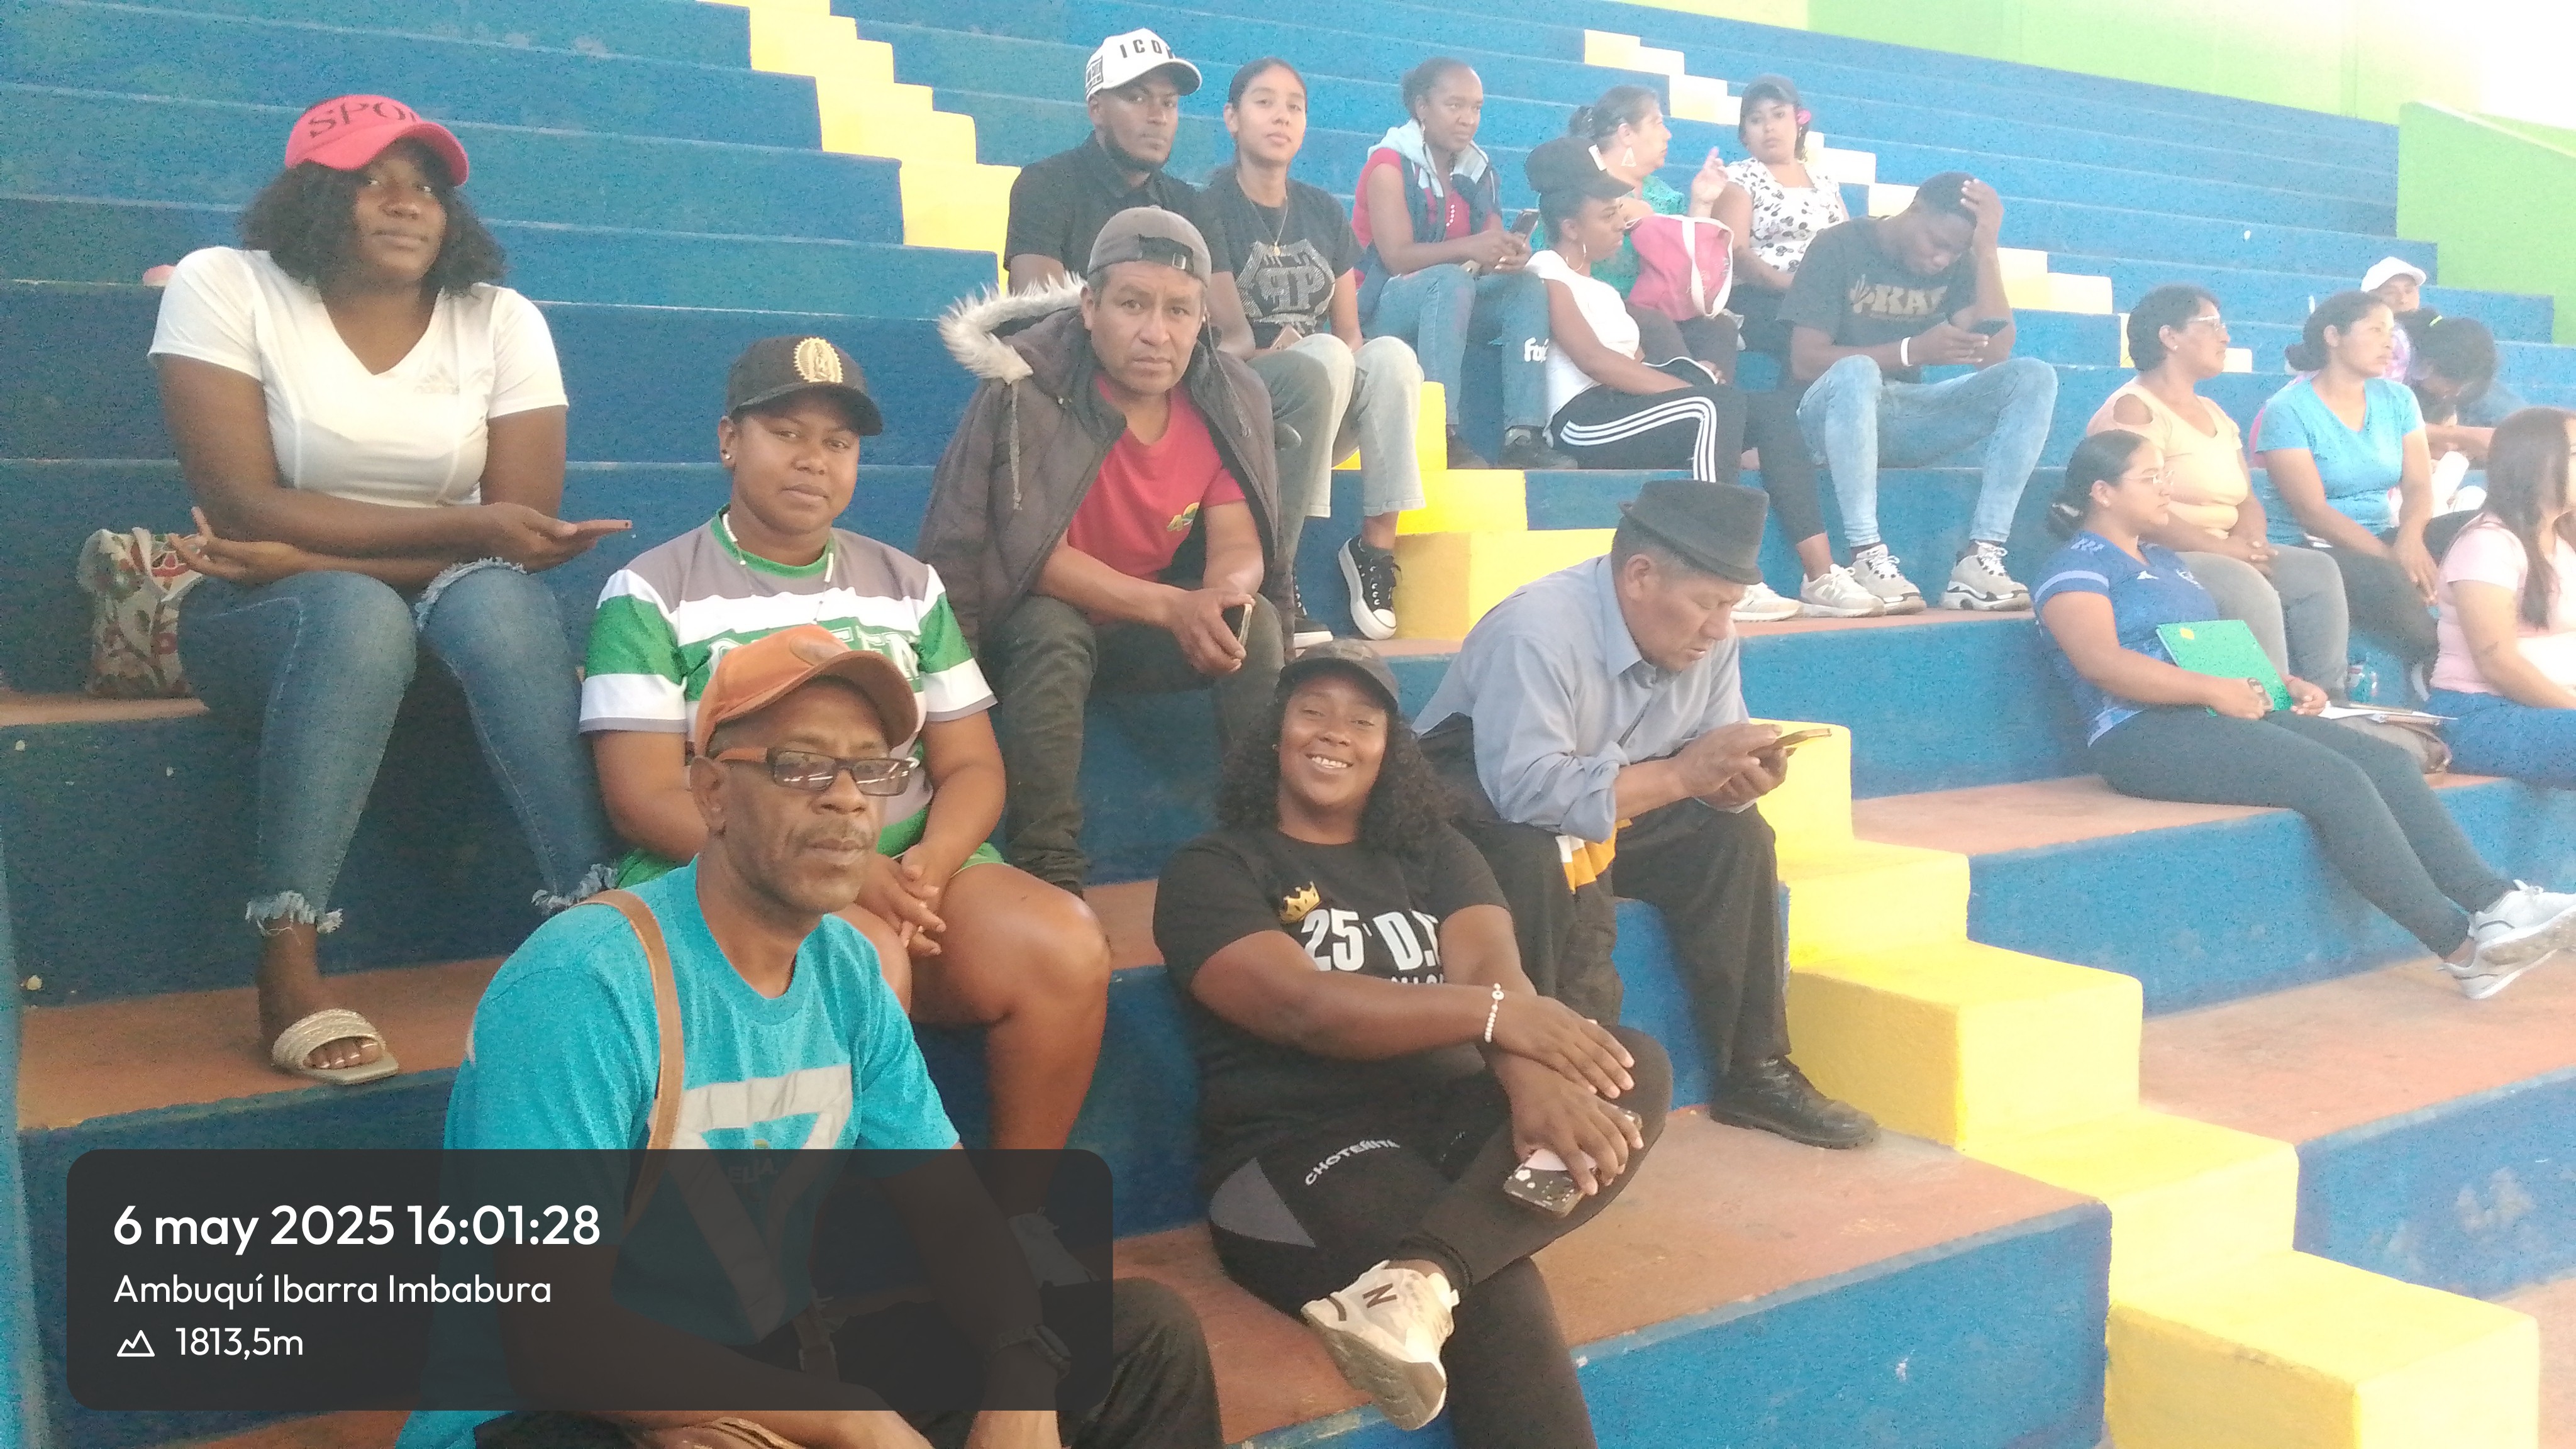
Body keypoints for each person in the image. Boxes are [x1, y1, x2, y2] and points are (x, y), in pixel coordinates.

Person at [394, 627, 1223, 1449]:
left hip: (766, 1365)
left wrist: (1020, 1378)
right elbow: (553, 1337)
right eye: (800, 766)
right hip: (542, 1413)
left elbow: (957, 1219)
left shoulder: (848, 971)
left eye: (872, 770)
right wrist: (847, 1419)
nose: (848, 799)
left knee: (1142, 1339)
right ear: (712, 793)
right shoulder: (586, 981)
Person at [150, 95, 623, 1084]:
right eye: (371, 181)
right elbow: (241, 504)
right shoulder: (225, 284)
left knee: (498, 602)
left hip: (431, 608)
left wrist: (321, 552)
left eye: (426, 187)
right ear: (313, 198)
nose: (406, 204)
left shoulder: (499, 318)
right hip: (264, 616)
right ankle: (287, 959)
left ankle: (601, 921)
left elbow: (518, 534)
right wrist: (459, 531)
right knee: (359, 615)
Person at [582, 335, 1113, 1160]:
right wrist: (856, 879)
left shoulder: (909, 585)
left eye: (838, 442)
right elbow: (643, 797)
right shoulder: (652, 590)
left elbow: (973, 766)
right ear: (729, 440)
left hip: (909, 871)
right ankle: (800, 1229)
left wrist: (925, 868)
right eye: (785, 433)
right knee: (859, 959)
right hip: (736, 872)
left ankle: (1015, 1213)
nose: (813, 460)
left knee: (1067, 946)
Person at [1155, 640, 1670, 1443]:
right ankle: (1445, 1267)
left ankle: (1421, 1279)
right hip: (1297, 1153)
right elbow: (1303, 1007)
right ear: (1275, 733)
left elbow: (1490, 969)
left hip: (1443, 1123)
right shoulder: (1214, 868)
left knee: (1623, 1065)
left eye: (1363, 721)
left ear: (1390, 749)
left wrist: (1534, 1081)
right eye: (1312, 712)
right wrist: (1497, 1018)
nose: (1336, 732)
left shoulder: (1437, 853)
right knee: (1498, 1292)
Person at [2033, 430, 2576, 1000]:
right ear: (2103, 492)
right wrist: (2212, 689)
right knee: (2335, 781)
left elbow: (2203, 647)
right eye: (2151, 478)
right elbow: (2101, 662)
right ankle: (2462, 950)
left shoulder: (2165, 561)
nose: (2166, 487)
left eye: (2166, 474)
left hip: (2211, 711)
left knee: (2386, 763)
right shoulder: (2074, 568)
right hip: (2139, 733)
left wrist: (2279, 683)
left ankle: (2494, 902)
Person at [1418, 480, 1880, 1148]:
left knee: (1735, 836)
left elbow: (1708, 757)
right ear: (1639, 576)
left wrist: (1735, 782)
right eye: (1707, 603)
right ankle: (1531, 1080)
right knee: (1531, 850)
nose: (1719, 628)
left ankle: (1754, 1070)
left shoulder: (1711, 639)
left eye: (1731, 605)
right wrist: (1681, 775)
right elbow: (1524, 793)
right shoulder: (1536, 629)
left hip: (1611, 803)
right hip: (1485, 814)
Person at [924, 208, 1288, 894]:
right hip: (1030, 628)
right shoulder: (1029, 385)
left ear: (1202, 318)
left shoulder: (1228, 397)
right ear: (1089, 306)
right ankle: (1048, 863)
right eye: (1132, 305)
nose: (1157, 332)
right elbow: (1035, 555)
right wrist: (1173, 607)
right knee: (1051, 628)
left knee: (1252, 621)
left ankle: (1268, 845)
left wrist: (1220, 598)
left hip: (1140, 633)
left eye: (1178, 310)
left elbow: (1240, 539)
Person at [1003, 28, 1338, 647]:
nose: (1158, 115)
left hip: (1179, 385)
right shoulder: (1045, 183)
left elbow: (1229, 332)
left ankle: (1265, 579)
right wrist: (1135, 351)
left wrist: (1177, 363)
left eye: (1170, 102)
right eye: (1137, 98)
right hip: (1074, 391)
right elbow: (1036, 317)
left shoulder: (1190, 203)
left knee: (1304, 378)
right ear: (1096, 107)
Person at [1520, 138, 1876, 623]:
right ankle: (1722, 575)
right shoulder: (1546, 270)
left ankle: (1821, 575)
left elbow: (1637, 364)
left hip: (1623, 411)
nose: (1620, 224)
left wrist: (1688, 380)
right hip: (1582, 421)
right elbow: (1595, 361)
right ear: (1569, 227)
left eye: (1618, 213)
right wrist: (1694, 392)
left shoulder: (1602, 289)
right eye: (1606, 217)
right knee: (1715, 406)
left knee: (1769, 410)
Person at [1208, 58, 1426, 642]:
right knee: (1325, 356)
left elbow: (1351, 331)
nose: (1281, 116)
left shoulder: (1322, 210)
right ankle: (1284, 563)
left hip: (1324, 398)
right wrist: (1301, 355)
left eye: (1295, 106)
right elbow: (1219, 345)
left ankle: (1374, 550)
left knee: (1391, 357)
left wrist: (1330, 355)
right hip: (1251, 403)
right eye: (1264, 102)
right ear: (1232, 118)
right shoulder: (1210, 206)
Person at [1784, 172, 2057, 614]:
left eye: (1956, 252)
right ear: (1915, 210)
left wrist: (1986, 253)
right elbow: (1805, 360)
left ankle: (1981, 558)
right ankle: (1865, 555)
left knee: (2033, 377)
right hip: (1825, 416)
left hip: (1898, 416)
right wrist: (1912, 351)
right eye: (1937, 243)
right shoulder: (1839, 245)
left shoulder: (1961, 262)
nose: (1941, 260)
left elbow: (1995, 356)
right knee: (1859, 371)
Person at [2084, 285, 2350, 692]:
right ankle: (2274, 706)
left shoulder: (2215, 412)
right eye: (2212, 325)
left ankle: (2327, 697)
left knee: (2317, 571)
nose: (2225, 336)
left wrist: (2251, 543)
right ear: (2169, 336)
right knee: (2244, 583)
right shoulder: (2133, 408)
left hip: (2225, 546)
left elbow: (2246, 498)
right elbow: (2136, 510)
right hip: (2156, 554)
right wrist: (2225, 551)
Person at [1357, 57, 1570, 470]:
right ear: (1422, 107)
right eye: (1454, 105)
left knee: (1527, 286)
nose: (1467, 119)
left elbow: (1486, 246)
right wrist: (1472, 247)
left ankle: (1523, 437)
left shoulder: (1477, 169)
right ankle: (1441, 431)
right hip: (1383, 303)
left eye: (1476, 108)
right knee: (1451, 281)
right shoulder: (1389, 164)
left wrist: (1506, 255)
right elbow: (1396, 257)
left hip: (1451, 298)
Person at [2250, 289, 2441, 672]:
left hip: (2383, 532)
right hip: (2312, 544)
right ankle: (2440, 662)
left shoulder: (2400, 399)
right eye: (2375, 330)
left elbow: (2419, 485)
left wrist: (2409, 539)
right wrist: (2394, 559)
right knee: (2388, 578)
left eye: (2391, 331)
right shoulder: (2288, 409)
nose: (2390, 344)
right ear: (2333, 336)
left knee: (2471, 532)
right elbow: (2312, 512)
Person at [2427, 407, 2576, 787]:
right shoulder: (2488, 543)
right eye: (2575, 453)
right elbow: (2498, 663)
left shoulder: (2562, 540)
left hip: (2547, 710)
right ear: (2533, 464)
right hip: (2480, 715)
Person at [1567, 85, 1735, 370]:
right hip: (1596, 305)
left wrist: (1701, 203)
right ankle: (1689, 388)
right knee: (1654, 323)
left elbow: (1686, 273)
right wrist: (1624, 213)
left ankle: (1709, 388)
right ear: (1626, 133)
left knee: (1720, 328)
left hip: (1664, 310)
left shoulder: (1665, 196)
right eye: (1657, 123)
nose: (1667, 134)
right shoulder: (1581, 184)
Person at [1710, 74, 1848, 361]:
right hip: (1763, 296)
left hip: (1824, 297)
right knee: (1814, 327)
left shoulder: (1825, 180)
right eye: (1756, 120)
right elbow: (1735, 252)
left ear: (1799, 122)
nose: (1769, 127)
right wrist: (1795, 286)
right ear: (1745, 135)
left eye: (1779, 115)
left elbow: (1848, 243)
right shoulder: (1739, 178)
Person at [2407, 313, 2524, 465]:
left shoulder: (2459, 394)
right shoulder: (2397, 370)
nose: (2456, 392)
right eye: (2453, 383)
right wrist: (2461, 436)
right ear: (2429, 365)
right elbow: (2393, 428)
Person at [2362, 256, 2429, 385]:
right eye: (2390, 292)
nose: (2403, 299)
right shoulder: (2364, 337)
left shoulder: (2431, 332)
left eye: (2409, 291)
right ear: (2371, 298)